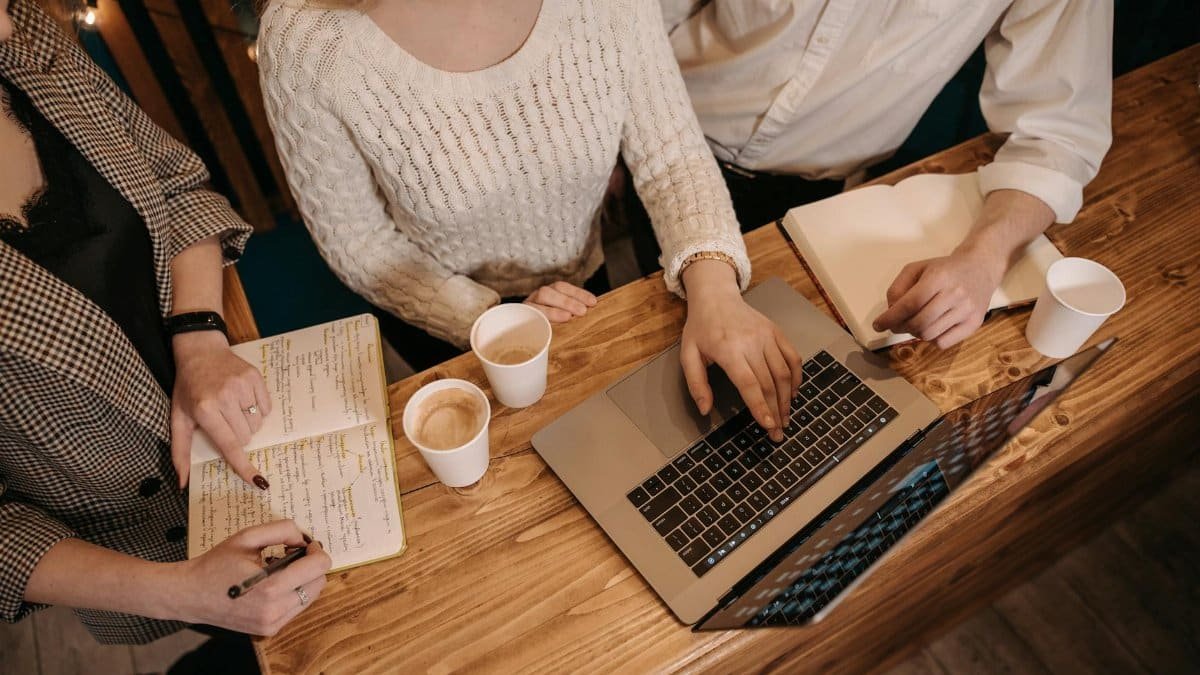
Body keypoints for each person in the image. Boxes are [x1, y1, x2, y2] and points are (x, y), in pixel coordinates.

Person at [258, 0, 803, 440]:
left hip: (583, 293)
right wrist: (494, 319)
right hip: (450, 316)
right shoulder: (307, 38)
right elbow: (358, 240)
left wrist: (715, 289)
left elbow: (670, 155)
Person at [0, 0, 329, 651]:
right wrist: (178, 589)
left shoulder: (30, 34)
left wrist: (200, 336)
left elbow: (179, 187)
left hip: (258, 424)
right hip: (148, 548)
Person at [642, 0, 1113, 349]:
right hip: (658, 137)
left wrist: (984, 258)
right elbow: (636, 21)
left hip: (812, 203)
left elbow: (1059, 133)